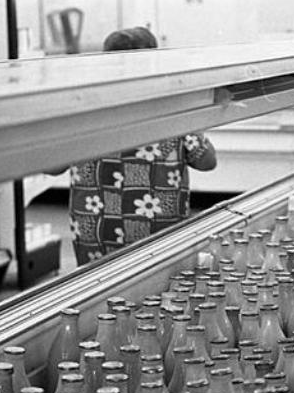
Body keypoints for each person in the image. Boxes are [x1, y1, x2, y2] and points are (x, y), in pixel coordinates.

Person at [68, 27, 217, 265]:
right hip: (156, 232)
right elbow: (207, 161)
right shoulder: (172, 106)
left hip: (95, 229)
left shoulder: (83, 108)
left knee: (96, 285)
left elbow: (51, 167)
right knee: (155, 284)